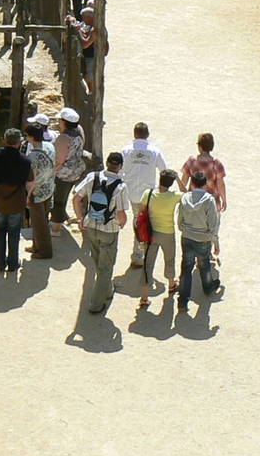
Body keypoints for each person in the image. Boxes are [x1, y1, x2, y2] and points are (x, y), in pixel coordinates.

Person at [73, 150, 130, 316]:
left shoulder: (93, 177)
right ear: (120, 166)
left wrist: (80, 218)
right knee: (106, 267)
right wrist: (122, 224)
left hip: (90, 225)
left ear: (107, 162)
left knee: (98, 262)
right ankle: (96, 304)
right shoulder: (120, 186)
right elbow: (121, 214)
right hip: (109, 230)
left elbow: (76, 198)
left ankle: (107, 289)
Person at [121, 122, 168, 269]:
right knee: (143, 222)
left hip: (130, 192)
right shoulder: (154, 151)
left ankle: (138, 253)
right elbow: (164, 170)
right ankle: (139, 254)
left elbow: (118, 169)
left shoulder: (126, 150)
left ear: (134, 134)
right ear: (147, 134)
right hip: (147, 195)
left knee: (137, 221)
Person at [176, 171, 222, 314]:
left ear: (192, 183)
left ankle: (183, 300)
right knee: (204, 266)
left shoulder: (184, 198)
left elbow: (179, 220)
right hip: (203, 238)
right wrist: (215, 241)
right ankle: (208, 288)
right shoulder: (209, 200)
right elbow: (213, 223)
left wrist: (185, 230)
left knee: (186, 268)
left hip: (187, 237)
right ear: (205, 184)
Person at [0, 129, 31, 273]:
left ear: (4, 140)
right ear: (19, 143)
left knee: (0, 232)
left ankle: (0, 263)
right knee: (14, 233)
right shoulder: (25, 160)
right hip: (16, 202)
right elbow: (30, 180)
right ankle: (13, 264)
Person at [137, 169, 182, 308]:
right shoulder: (175, 196)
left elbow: (140, 211)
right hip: (168, 233)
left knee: (148, 264)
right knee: (169, 260)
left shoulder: (148, 193)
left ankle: (144, 297)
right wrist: (179, 179)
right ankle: (171, 284)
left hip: (151, 234)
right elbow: (188, 194)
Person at [23, 114, 56, 259]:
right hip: (49, 188)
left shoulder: (32, 157)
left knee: (39, 224)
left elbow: (31, 180)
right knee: (42, 220)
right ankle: (36, 246)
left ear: (31, 137)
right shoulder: (50, 146)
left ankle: (44, 251)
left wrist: (27, 196)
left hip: (37, 193)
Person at [51, 108, 87, 233]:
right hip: (77, 169)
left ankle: (56, 227)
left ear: (64, 122)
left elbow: (59, 160)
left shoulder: (63, 138)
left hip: (64, 173)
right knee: (64, 195)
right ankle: (63, 217)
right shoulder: (79, 131)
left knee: (58, 200)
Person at [183, 132, 228, 226]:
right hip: (212, 203)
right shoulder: (216, 163)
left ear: (200, 146)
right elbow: (220, 184)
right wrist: (224, 199)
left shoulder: (191, 161)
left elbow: (184, 181)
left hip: (194, 202)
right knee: (212, 231)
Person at [67, 6, 99, 96]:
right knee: (86, 76)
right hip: (87, 56)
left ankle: (93, 96)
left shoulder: (94, 29)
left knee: (91, 78)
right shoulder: (90, 27)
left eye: (84, 18)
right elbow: (85, 35)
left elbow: (85, 44)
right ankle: (90, 93)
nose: (83, 20)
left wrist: (78, 31)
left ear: (89, 17)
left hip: (92, 57)